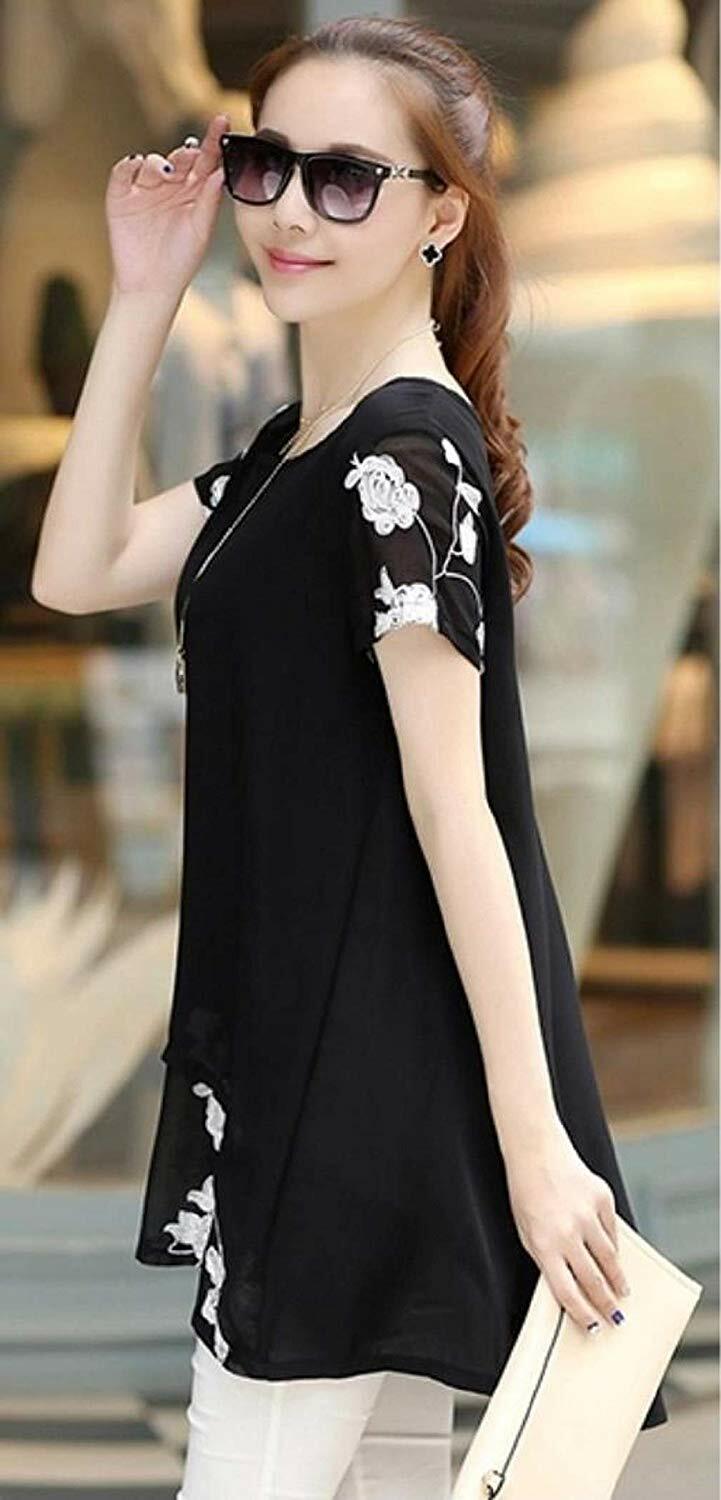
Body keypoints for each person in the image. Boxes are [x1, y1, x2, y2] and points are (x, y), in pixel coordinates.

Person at [30, 13, 668, 1497]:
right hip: (321, 1059)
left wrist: (535, 1143)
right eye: (267, 164)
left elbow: (460, 815)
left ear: (441, 211)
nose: (288, 212)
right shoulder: (299, 454)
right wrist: (146, 294)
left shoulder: (399, 458)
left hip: (353, 1084)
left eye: (346, 178)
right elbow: (78, 566)